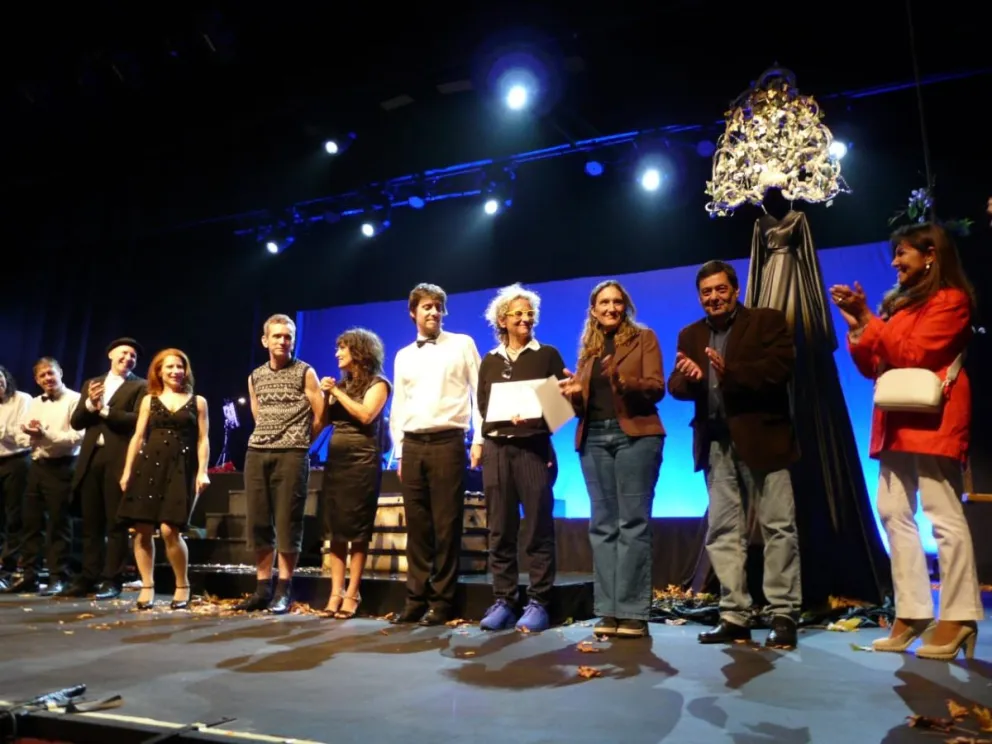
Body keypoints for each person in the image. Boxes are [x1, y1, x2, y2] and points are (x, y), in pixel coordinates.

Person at [830, 222, 983, 661]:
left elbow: (914, 354)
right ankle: (913, 610)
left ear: (930, 255)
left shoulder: (951, 301)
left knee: (942, 511)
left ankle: (960, 614)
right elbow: (873, 364)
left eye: (903, 253)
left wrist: (870, 318)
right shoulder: (899, 305)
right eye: (895, 253)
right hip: (896, 419)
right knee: (892, 510)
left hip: (935, 417)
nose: (895, 261)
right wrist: (859, 327)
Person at [667, 260, 801, 649]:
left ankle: (782, 614)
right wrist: (692, 380)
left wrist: (730, 374)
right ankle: (734, 616)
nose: (713, 297)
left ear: (736, 290)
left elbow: (780, 369)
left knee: (778, 526)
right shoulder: (690, 334)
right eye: (706, 292)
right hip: (716, 443)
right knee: (723, 531)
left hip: (765, 439)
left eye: (720, 289)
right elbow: (676, 384)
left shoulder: (766, 322)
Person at [559, 280, 665, 639]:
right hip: (594, 439)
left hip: (635, 436)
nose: (611, 308)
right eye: (603, 303)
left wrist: (624, 381)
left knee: (632, 523)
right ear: (593, 310)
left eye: (617, 302)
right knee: (603, 525)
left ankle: (632, 613)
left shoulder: (643, 339)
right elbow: (582, 407)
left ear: (626, 306)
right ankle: (607, 610)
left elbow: (656, 387)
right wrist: (572, 394)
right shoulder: (588, 352)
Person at [389, 283, 484, 626]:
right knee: (417, 527)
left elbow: (480, 392)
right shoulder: (403, 355)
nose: (433, 311)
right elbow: (400, 405)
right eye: (426, 306)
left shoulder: (462, 344)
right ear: (413, 312)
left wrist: (479, 439)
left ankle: (442, 602)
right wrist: (400, 451)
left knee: (446, 524)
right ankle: (415, 599)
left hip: (448, 441)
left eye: (437, 306)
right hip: (413, 444)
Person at [475, 284, 566, 633]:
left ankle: (539, 601)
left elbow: (559, 409)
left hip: (533, 449)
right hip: (497, 450)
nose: (526, 319)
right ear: (502, 320)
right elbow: (484, 407)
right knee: (500, 529)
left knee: (538, 526)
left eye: (530, 313)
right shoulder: (490, 361)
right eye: (518, 314)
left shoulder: (547, 355)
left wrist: (532, 418)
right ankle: (505, 600)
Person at [238, 314, 326, 614]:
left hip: (292, 453)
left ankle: (283, 589)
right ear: (265, 340)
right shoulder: (255, 376)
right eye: (277, 336)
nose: (283, 341)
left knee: (288, 521)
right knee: (259, 521)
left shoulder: (305, 372)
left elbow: (321, 415)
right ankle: (263, 588)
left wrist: (302, 441)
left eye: (288, 336)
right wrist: (268, 436)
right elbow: (258, 414)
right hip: (257, 452)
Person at [118, 349, 210, 610]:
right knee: (142, 529)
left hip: (181, 467)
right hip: (149, 466)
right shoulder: (150, 400)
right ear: (159, 371)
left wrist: (203, 471)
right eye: (169, 367)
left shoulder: (198, 401)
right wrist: (127, 471)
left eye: (179, 366)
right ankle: (147, 586)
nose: (175, 371)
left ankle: (182, 584)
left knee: (170, 529)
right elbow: (138, 437)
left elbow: (203, 439)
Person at [62, 338, 147, 600]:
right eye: (124, 353)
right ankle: (89, 576)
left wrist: (105, 411)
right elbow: (77, 421)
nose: (128, 358)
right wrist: (90, 404)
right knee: (91, 523)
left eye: (133, 356)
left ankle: (112, 579)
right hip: (91, 459)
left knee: (116, 523)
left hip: (118, 460)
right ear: (110, 354)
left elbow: (138, 420)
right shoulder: (92, 383)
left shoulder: (141, 386)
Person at [318, 328, 391, 619]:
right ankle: (335, 592)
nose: (337, 353)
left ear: (359, 351)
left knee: (357, 531)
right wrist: (325, 396)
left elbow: (365, 415)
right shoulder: (341, 385)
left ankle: (353, 592)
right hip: (336, 461)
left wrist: (336, 392)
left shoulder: (379, 383)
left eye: (342, 348)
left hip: (362, 462)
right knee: (336, 529)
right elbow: (324, 421)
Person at [0, 358, 82, 596]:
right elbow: (23, 438)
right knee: (31, 524)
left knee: (58, 523)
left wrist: (45, 434)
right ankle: (29, 576)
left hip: (63, 466)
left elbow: (77, 437)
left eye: (50, 373)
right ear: (36, 380)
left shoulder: (75, 399)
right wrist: (31, 434)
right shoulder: (36, 403)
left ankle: (58, 577)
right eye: (42, 375)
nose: (47, 378)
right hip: (37, 464)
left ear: (60, 372)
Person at [0, 366, 31, 584]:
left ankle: (9, 568)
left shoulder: (22, 399)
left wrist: (3, 430)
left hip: (17, 461)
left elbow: (23, 436)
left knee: (14, 516)